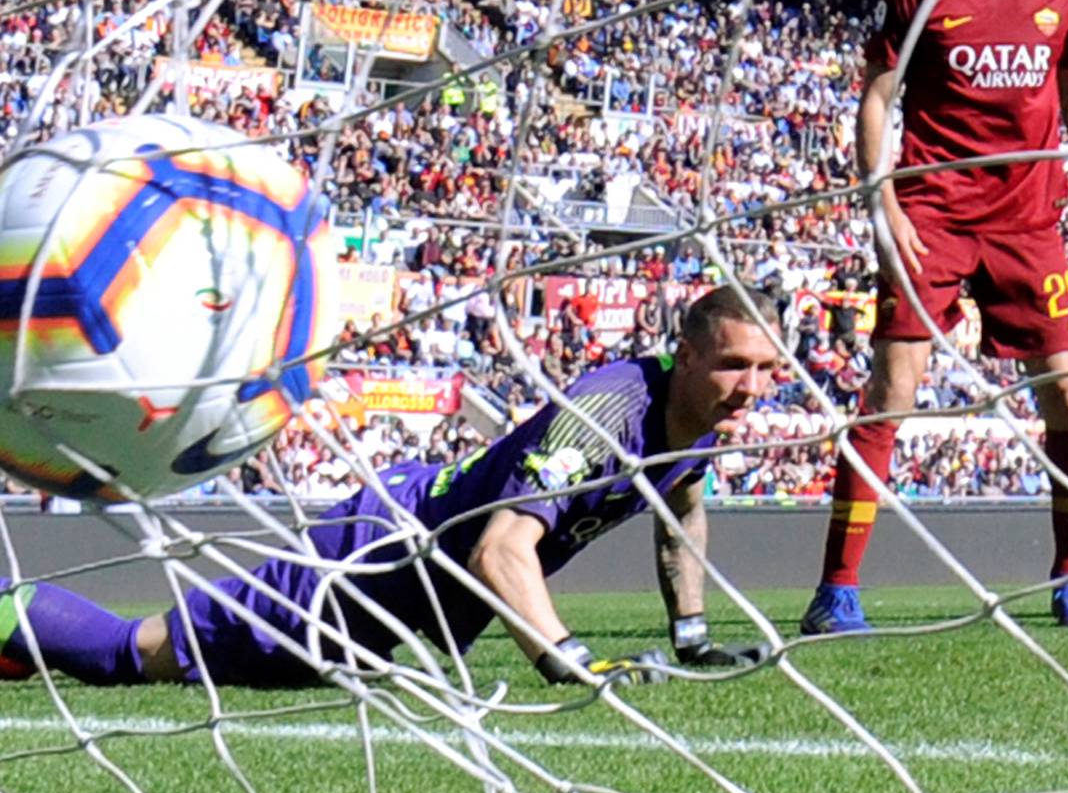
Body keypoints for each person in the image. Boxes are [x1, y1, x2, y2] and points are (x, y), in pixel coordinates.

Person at [0, 286, 786, 687]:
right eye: (733, 365)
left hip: (420, 601)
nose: (752, 386)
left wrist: (692, 635)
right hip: (371, 557)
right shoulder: (608, 409)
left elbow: (680, 506)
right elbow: (501, 553)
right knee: (139, 654)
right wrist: (572, 663)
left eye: (768, 369)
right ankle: (12, 612)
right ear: (683, 355)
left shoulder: (699, 425)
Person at [802, 0, 1068, 634]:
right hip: (934, 214)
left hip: (1028, 221)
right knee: (890, 395)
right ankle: (836, 591)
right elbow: (877, 99)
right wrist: (883, 206)